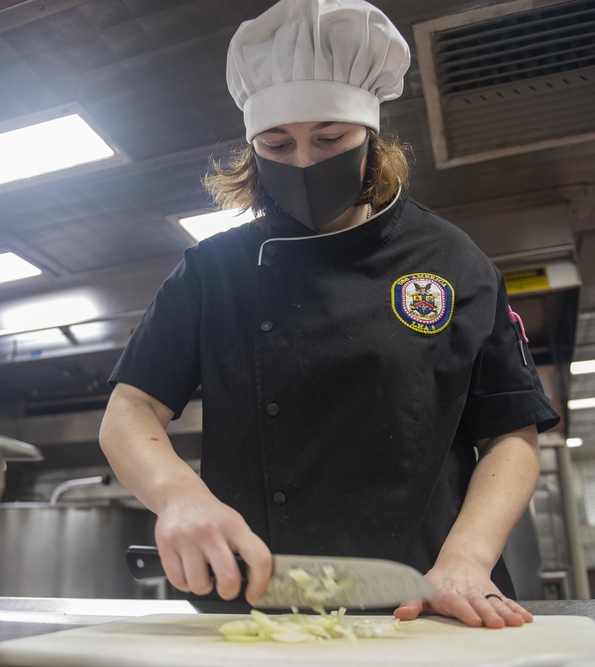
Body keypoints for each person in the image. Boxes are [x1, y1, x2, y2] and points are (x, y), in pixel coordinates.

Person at [99, 0, 559, 629]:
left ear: (370, 136)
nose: (306, 161)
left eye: (331, 137)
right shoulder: (214, 272)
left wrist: (467, 559)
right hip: (255, 607)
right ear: (252, 148)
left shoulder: (453, 261)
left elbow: (510, 432)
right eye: (278, 143)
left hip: (428, 600)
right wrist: (178, 498)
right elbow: (129, 411)